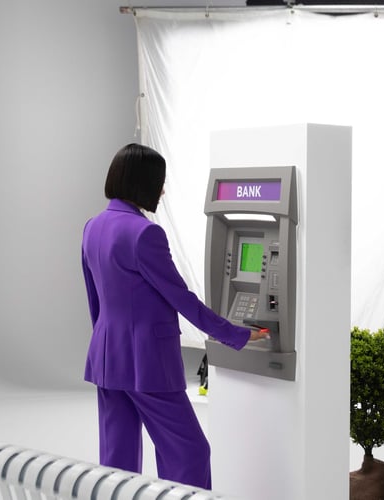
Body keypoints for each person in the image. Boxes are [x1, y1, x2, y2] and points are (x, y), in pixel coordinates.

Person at [81, 143, 268, 489]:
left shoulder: (93, 227)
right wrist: (236, 334)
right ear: (143, 183)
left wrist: (107, 348)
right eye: (159, 182)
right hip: (147, 363)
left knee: (115, 462)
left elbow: (96, 302)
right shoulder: (145, 234)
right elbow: (182, 299)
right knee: (189, 452)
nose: (162, 190)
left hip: (107, 357)